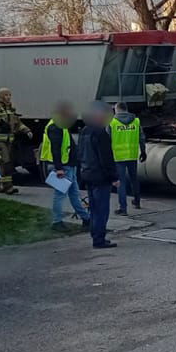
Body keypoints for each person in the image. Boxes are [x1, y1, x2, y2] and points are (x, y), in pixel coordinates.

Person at [40, 101, 90, 232]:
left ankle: (86, 218)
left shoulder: (60, 125)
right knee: (60, 194)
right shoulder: (55, 127)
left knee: (74, 193)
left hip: (69, 164)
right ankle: (57, 221)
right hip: (64, 166)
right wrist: (59, 168)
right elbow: (56, 149)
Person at [79, 101, 120, 249]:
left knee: (94, 208)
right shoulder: (100, 133)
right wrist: (114, 177)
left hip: (88, 174)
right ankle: (99, 239)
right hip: (100, 176)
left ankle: (95, 234)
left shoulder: (85, 131)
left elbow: (80, 153)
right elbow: (106, 158)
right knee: (102, 209)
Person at [0, 87, 32, 194]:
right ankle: (8, 187)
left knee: (3, 164)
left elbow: (17, 123)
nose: (8, 97)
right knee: (4, 163)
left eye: (9, 95)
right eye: (6, 95)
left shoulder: (11, 109)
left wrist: (26, 130)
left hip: (9, 141)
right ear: (0, 96)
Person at [110, 102, 147, 215]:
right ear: (126, 109)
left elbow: (107, 140)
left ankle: (123, 208)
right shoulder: (136, 121)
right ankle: (137, 201)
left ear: (117, 110)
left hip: (118, 157)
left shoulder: (112, 123)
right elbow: (141, 138)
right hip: (132, 155)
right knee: (134, 178)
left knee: (120, 182)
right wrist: (143, 151)